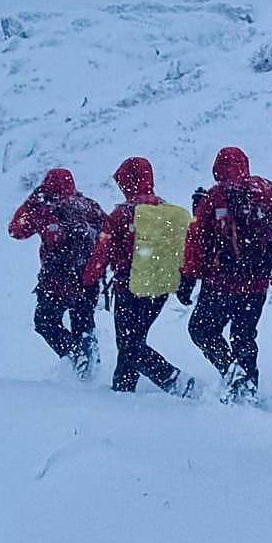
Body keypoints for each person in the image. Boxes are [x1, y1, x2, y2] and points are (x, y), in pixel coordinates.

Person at [178, 147, 272, 402]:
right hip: (257, 283)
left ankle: (233, 374)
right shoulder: (266, 191)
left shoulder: (214, 198)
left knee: (201, 330)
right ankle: (248, 390)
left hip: (221, 283)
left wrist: (188, 279)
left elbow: (197, 241)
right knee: (244, 336)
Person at [82, 156, 195, 397]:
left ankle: (174, 380)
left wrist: (88, 280)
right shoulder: (166, 211)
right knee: (134, 340)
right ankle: (122, 390)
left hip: (130, 287)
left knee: (129, 344)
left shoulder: (122, 215)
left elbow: (102, 253)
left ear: (128, 182)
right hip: (161, 288)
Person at [8, 168, 105, 378]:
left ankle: (74, 354)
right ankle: (90, 369)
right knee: (84, 323)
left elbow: (16, 230)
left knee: (45, 322)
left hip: (56, 279)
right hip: (88, 278)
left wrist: (33, 198)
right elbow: (108, 234)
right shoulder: (89, 206)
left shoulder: (45, 208)